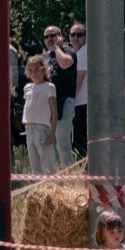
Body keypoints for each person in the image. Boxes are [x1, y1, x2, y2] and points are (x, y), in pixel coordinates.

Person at [40, 25, 77, 161]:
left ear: (60, 36)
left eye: (53, 35)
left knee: (63, 144)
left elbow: (64, 64)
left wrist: (57, 47)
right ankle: (56, 178)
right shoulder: (45, 56)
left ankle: (68, 177)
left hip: (65, 101)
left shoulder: (68, 51)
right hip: (49, 104)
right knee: (51, 144)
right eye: (47, 37)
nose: (50, 39)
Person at [22, 53, 61, 175]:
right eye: (31, 71)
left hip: (42, 129)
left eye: (37, 70)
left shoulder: (49, 87)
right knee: (35, 167)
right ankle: (39, 192)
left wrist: (53, 132)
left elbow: (54, 111)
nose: (34, 74)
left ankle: (50, 189)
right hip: (29, 129)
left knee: (47, 165)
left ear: (43, 70)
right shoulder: (27, 87)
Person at [67, 21, 91, 158]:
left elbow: (78, 80)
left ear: (86, 36)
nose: (76, 38)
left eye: (80, 35)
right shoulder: (79, 53)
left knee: (79, 143)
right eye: (73, 34)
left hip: (81, 104)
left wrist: (70, 101)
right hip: (82, 103)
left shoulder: (83, 52)